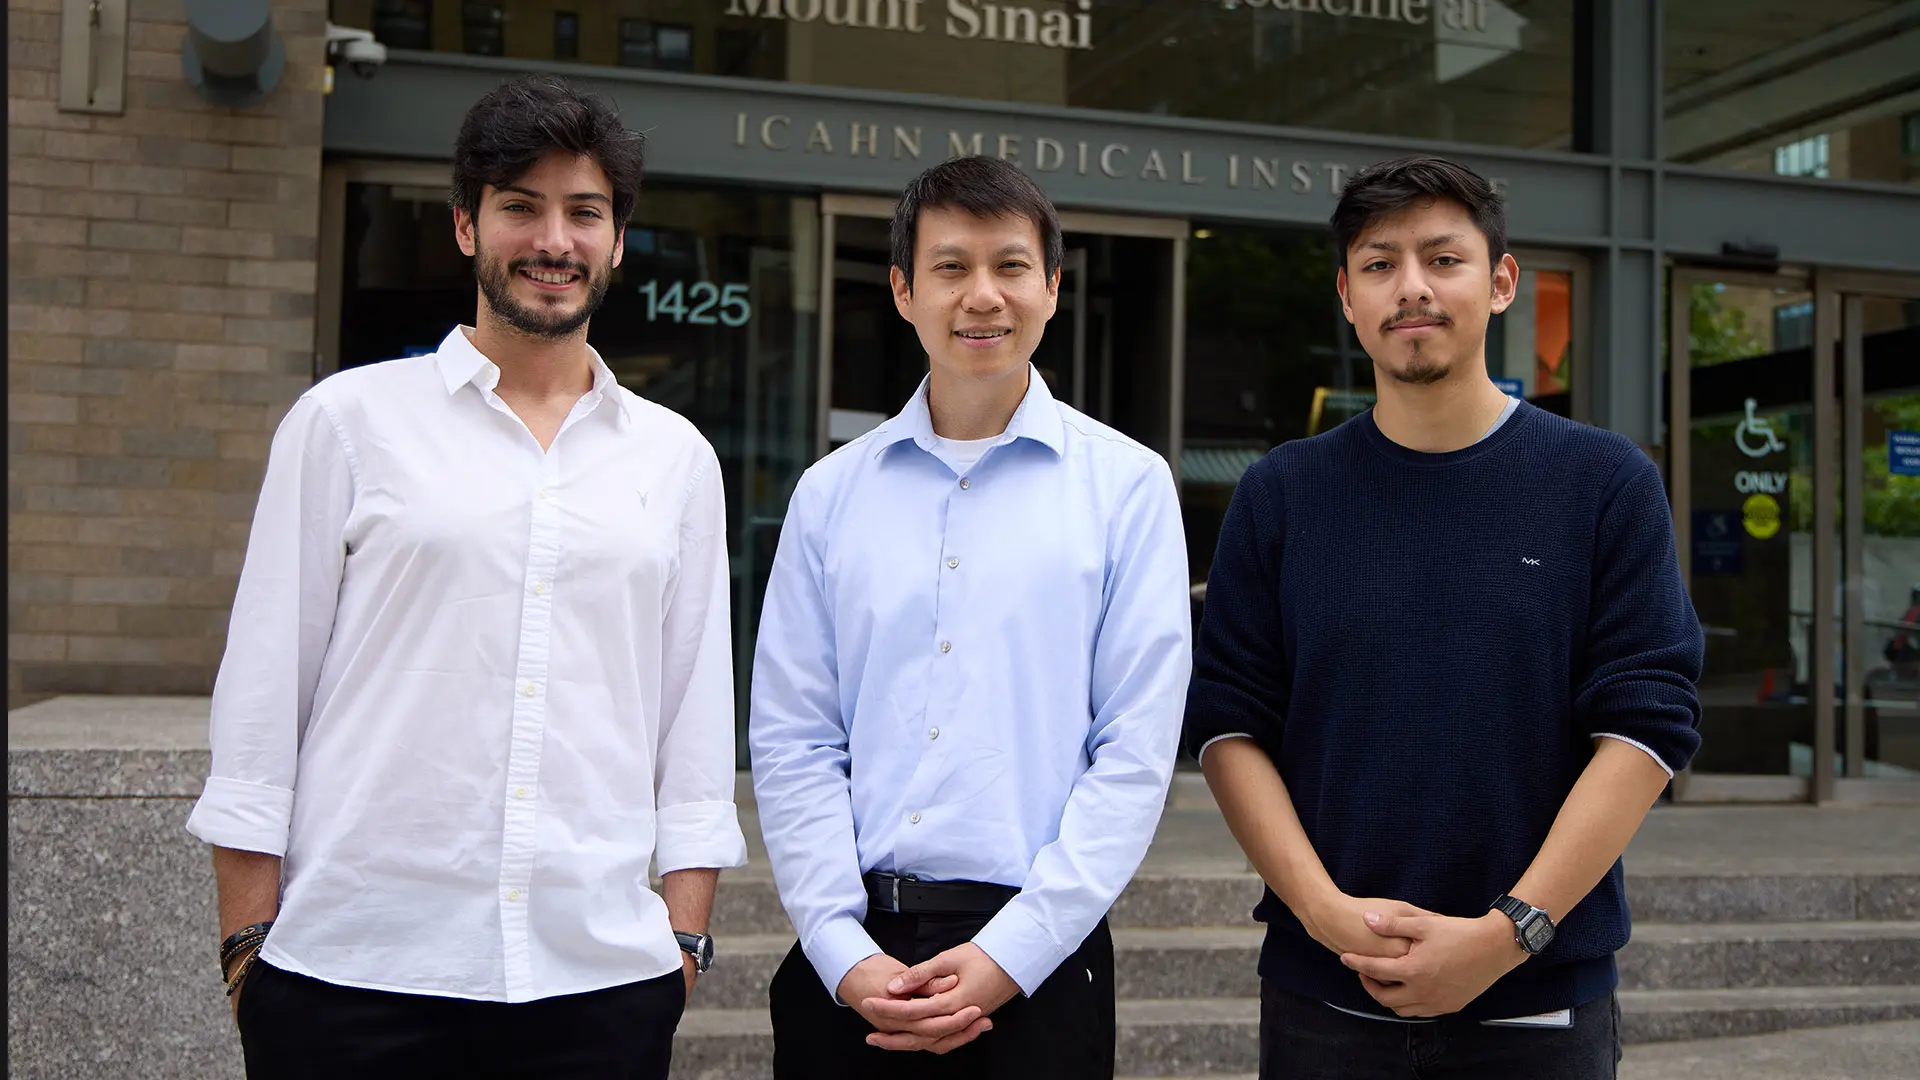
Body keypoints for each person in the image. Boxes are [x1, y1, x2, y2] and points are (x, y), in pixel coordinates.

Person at [184, 74, 746, 1080]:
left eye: (585, 212)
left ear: (618, 240)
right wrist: (247, 951)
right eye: (520, 207)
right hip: (353, 978)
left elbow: (693, 725)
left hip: (599, 987)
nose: (554, 241)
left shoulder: (676, 460)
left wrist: (683, 945)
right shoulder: (346, 424)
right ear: (464, 226)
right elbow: (264, 695)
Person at [1184, 155, 1704, 1079]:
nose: (1411, 288)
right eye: (1380, 265)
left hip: (1537, 1005)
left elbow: (1645, 724)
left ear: (1501, 281)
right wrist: (1322, 911)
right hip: (1324, 997)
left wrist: (1512, 931)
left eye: (1443, 259)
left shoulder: (1604, 484)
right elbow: (1228, 722)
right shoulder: (1282, 494)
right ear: (1347, 296)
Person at [748, 155, 1193, 1079]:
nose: (982, 296)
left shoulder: (1128, 487)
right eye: (951, 267)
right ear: (905, 291)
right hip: (853, 963)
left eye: (1010, 266)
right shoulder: (830, 494)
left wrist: (1012, 955)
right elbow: (793, 739)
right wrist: (841, 949)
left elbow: (1135, 749)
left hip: (1041, 960)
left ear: (1053, 288)